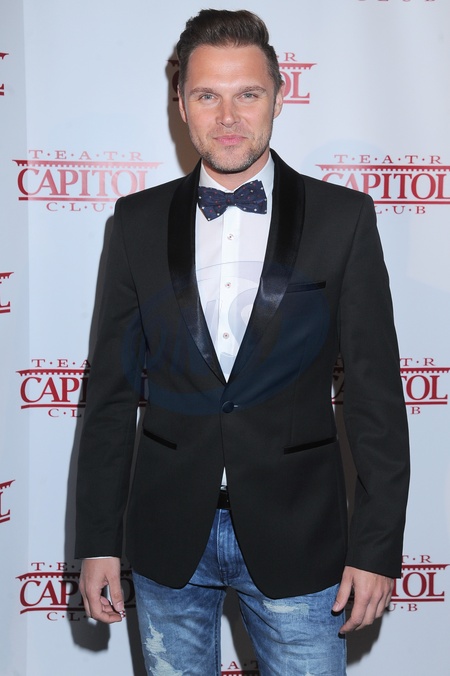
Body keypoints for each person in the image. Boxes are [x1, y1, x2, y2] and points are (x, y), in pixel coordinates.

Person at [75, 9, 410, 675]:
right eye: (207, 95)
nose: (228, 118)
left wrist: (376, 547)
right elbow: (109, 396)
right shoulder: (135, 221)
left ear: (279, 97)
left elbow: (375, 395)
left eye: (247, 94)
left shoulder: (343, 219)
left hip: (301, 535)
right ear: (181, 105)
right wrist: (97, 540)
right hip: (167, 535)